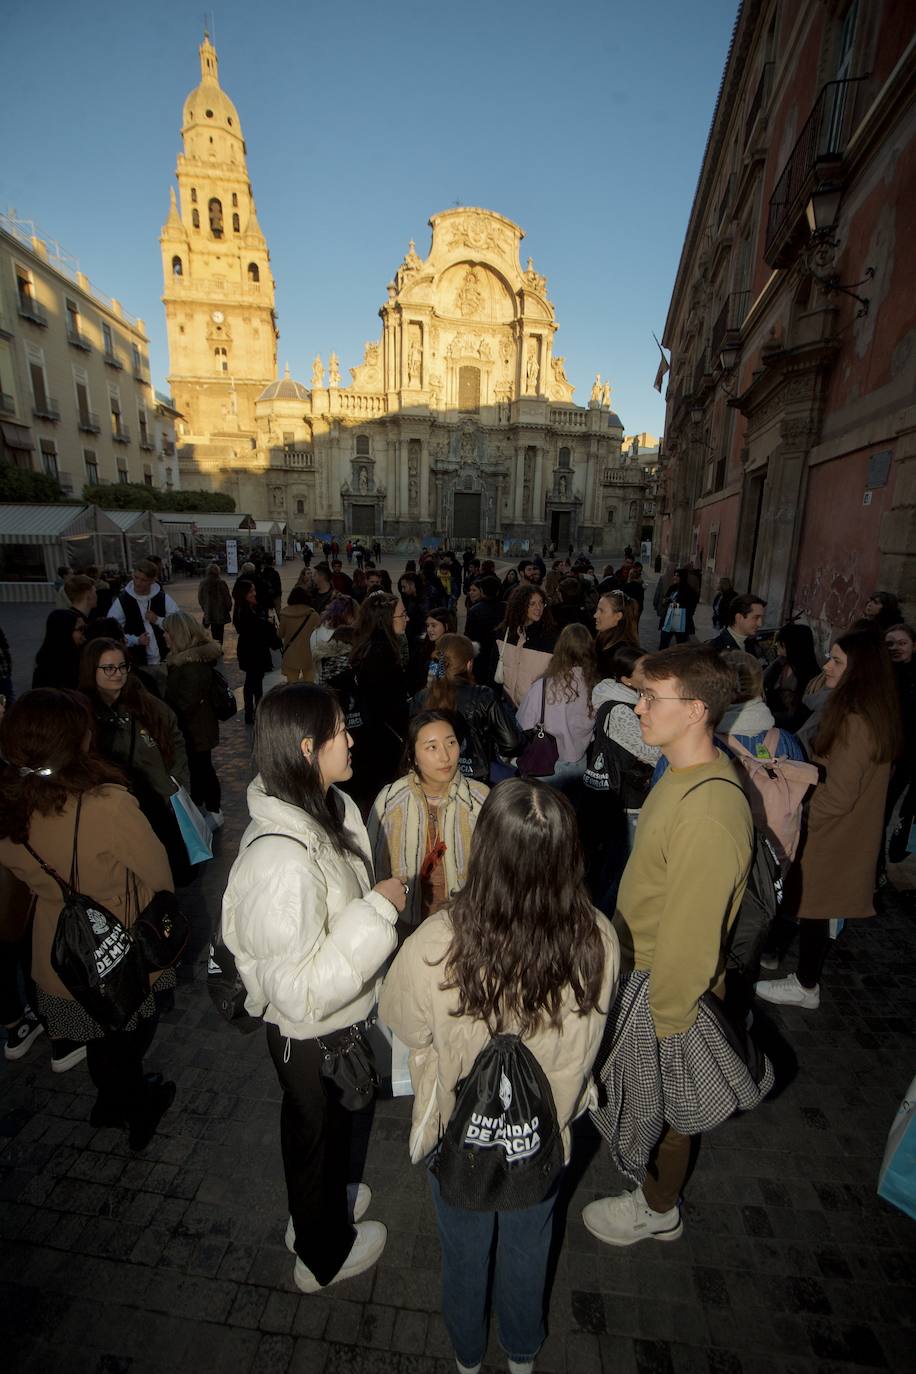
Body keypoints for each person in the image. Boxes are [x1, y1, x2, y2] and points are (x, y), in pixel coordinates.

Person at [379, 780, 618, 1374]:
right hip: (542, 1137)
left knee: (461, 1250)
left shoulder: (436, 942)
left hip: (456, 1131)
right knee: (529, 1244)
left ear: (484, 849)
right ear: (569, 855)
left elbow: (403, 1024)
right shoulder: (599, 940)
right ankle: (521, 1351)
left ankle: (466, 1354)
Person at [220, 684, 406, 1292]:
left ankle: (319, 1212)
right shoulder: (280, 863)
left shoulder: (329, 804)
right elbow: (296, 992)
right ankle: (321, 1255)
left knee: (318, 1132)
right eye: (338, 730)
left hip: (336, 1024)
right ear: (307, 747)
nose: (351, 737)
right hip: (310, 1033)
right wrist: (377, 914)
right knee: (313, 1134)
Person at [584, 646, 752, 1247]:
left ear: (696, 711)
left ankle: (659, 1207)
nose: (639, 708)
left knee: (672, 1109)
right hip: (645, 971)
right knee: (650, 1102)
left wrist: (666, 1027)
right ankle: (655, 1194)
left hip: (667, 990)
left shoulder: (708, 810)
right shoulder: (678, 772)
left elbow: (690, 939)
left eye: (653, 698)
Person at [0, 689, 177, 1134]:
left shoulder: (9, 806)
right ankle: (133, 1106)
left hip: (57, 952)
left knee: (99, 1037)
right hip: (120, 946)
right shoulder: (107, 804)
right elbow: (159, 877)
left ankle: (108, 1101)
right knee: (129, 1033)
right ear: (75, 740)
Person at [756, 630, 902, 1009]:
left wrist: (794, 814)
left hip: (831, 832)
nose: (826, 666)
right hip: (837, 831)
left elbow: (837, 795)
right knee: (813, 908)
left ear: (860, 669)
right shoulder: (865, 710)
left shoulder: (857, 721)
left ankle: (806, 986)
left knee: (814, 906)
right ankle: (804, 981)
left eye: (836, 660)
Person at [78, 637, 192, 885]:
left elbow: (176, 737)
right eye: (108, 668)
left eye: (122, 667)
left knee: (165, 869)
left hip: (157, 803)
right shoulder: (82, 711)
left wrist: (176, 781)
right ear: (91, 669)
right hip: (112, 809)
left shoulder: (145, 702)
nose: (117, 674)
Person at [369, 709, 488, 928]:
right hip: (405, 925)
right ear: (413, 755)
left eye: (451, 743)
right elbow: (376, 868)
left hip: (467, 926)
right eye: (432, 747)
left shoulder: (480, 800)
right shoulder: (390, 800)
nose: (445, 756)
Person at [581, 643, 659, 915]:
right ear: (626, 679)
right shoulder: (620, 710)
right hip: (625, 800)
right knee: (620, 870)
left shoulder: (626, 700)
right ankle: (604, 921)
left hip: (618, 797)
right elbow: (650, 752)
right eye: (643, 669)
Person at [414, 634, 524, 784]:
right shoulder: (484, 696)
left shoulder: (421, 697)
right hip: (476, 781)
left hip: (433, 780)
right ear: (469, 664)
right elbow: (511, 744)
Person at [345, 591, 409, 809]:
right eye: (402, 615)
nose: (406, 619)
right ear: (386, 619)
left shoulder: (371, 646)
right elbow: (389, 706)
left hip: (367, 741)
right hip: (379, 745)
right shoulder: (382, 654)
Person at [161, 611, 225, 829]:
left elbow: (184, 703)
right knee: (200, 769)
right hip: (195, 727)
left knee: (202, 769)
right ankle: (204, 807)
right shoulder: (184, 661)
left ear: (177, 634)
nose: (164, 636)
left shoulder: (191, 666)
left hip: (196, 728)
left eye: (167, 632)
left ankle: (214, 810)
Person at [517, 623, 596, 790]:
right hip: (579, 762)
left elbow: (524, 722)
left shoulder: (544, 685)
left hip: (547, 764)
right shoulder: (594, 686)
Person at [110, 560, 179, 669]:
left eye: (143, 580)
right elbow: (112, 631)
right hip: (137, 662)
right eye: (136, 577)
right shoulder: (122, 600)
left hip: (166, 660)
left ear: (152, 580)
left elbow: (178, 624)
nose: (138, 583)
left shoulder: (163, 598)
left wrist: (158, 620)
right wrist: (135, 640)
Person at [233, 579, 282, 723]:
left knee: (256, 680)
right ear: (243, 594)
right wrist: (267, 624)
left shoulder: (253, 607)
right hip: (251, 650)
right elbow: (254, 628)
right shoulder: (243, 610)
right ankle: (251, 711)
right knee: (251, 681)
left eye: (254, 590)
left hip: (257, 649)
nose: (254, 593)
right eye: (251, 591)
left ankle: (257, 708)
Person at [763, 623, 821, 732]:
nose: (777, 645)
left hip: (789, 729)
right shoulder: (779, 664)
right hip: (768, 719)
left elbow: (798, 715)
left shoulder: (811, 675)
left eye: (782, 643)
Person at [32, 590, 90, 690]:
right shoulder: (48, 672)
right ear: (64, 632)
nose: (84, 636)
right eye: (80, 630)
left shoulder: (79, 657)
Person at [464, 576, 505, 689]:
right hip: (502, 654)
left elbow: (468, 637)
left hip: (481, 656)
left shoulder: (475, 610)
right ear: (497, 591)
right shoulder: (506, 607)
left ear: (482, 591)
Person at [310, 595, 359, 690]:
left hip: (321, 683)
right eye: (355, 616)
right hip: (336, 688)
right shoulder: (339, 638)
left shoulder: (317, 631)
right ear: (348, 615)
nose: (356, 621)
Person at [407, 606, 456, 694]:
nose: (429, 629)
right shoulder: (422, 646)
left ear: (446, 626)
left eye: (434, 625)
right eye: (428, 625)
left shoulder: (454, 651)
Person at [594, 590, 641, 677]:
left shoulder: (621, 653)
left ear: (618, 616)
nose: (595, 615)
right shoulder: (604, 639)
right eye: (597, 609)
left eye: (601, 611)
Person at [278, 587, 320, 684]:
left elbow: (280, 634)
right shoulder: (313, 615)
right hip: (309, 654)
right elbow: (319, 635)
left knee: (292, 686)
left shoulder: (285, 614)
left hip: (291, 655)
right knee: (310, 685)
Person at [657, 568, 699, 649]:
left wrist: (678, 605)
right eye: (674, 575)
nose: (674, 577)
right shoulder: (672, 588)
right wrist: (665, 601)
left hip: (681, 620)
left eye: (677, 576)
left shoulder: (689, 591)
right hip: (669, 618)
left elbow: (691, 608)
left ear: (682, 577)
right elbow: (665, 600)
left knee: (681, 646)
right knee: (663, 642)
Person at [197, 563, 233, 644]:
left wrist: (205, 608)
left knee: (213, 631)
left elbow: (200, 598)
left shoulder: (203, 583)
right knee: (219, 632)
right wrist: (229, 607)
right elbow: (227, 597)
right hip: (220, 612)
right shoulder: (221, 582)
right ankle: (218, 648)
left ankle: (215, 647)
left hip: (209, 611)